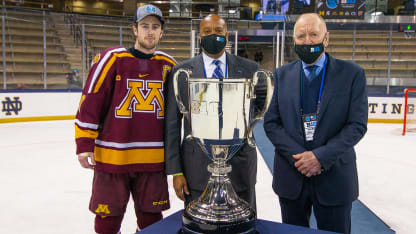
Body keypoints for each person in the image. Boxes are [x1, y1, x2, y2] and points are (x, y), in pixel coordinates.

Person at [74, 5, 176, 234]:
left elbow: (176, 114)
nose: (150, 32)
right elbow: (90, 100)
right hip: (113, 156)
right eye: (145, 26)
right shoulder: (112, 59)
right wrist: (84, 143)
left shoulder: (169, 64)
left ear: (161, 32)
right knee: (107, 220)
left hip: (153, 159)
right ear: (134, 30)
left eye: (155, 27)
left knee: (152, 218)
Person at [263, 13, 368, 234]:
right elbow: (272, 123)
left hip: (334, 176)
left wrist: (320, 157)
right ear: (294, 40)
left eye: (314, 34)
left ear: (326, 38)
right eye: (301, 36)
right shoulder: (282, 75)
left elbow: (356, 125)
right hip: (292, 176)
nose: (308, 40)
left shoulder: (352, 74)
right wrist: (301, 158)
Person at [164, 14, 259, 210]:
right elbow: (172, 125)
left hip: (240, 167)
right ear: (199, 37)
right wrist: (176, 171)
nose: (213, 36)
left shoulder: (250, 69)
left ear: (227, 35)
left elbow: (259, 110)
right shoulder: (181, 72)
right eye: (207, 32)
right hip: (196, 169)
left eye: (218, 32)